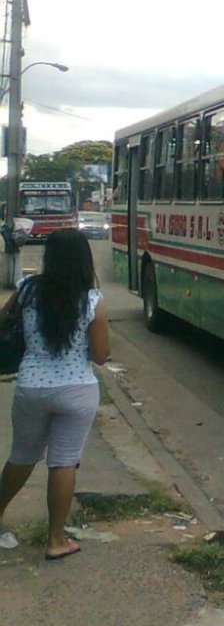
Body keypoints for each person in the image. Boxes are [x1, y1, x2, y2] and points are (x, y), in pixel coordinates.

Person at [0, 229, 110, 559]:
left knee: (21, 456)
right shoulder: (92, 300)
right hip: (77, 390)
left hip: (32, 386)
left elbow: (3, 320)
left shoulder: (27, 290)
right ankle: (56, 540)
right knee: (64, 463)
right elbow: (101, 356)